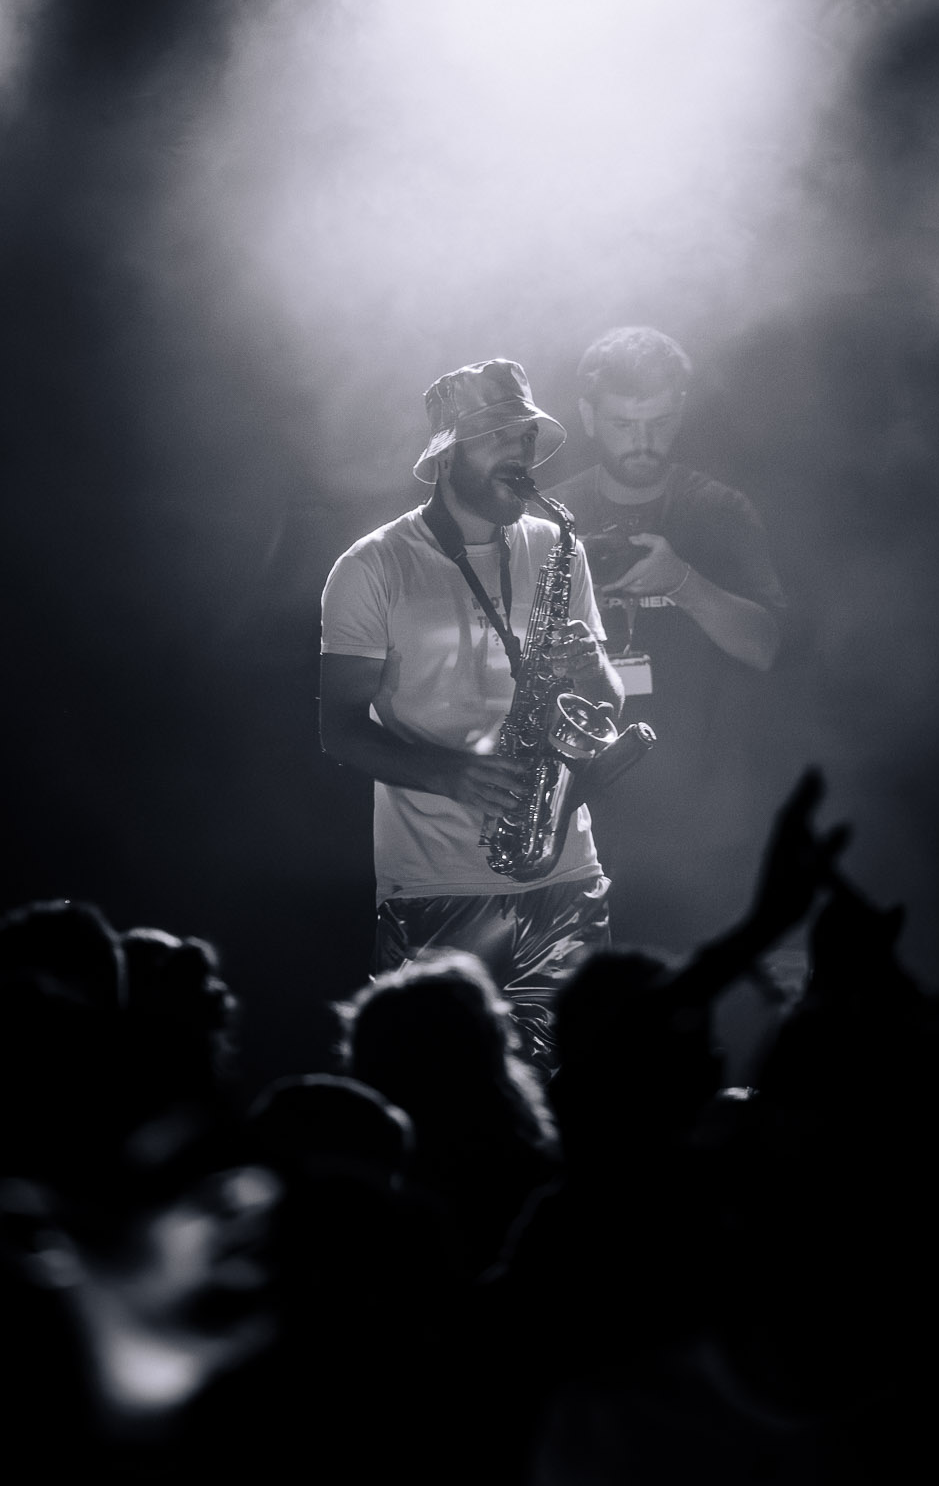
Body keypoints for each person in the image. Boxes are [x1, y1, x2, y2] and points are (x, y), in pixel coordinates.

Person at [318, 358, 624, 1073]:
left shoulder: (560, 546)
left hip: (565, 873)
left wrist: (592, 672)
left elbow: (605, 704)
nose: (520, 455)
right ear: (447, 453)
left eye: (526, 437)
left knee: (584, 1092)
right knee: (434, 1092)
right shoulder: (372, 566)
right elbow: (339, 731)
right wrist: (449, 774)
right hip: (434, 885)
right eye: (497, 437)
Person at [550, 327, 787, 947]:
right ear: (588, 416)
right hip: (582, 808)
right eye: (623, 424)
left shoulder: (720, 511)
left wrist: (681, 580)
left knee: (702, 979)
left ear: (680, 411)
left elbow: (764, 647)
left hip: (704, 808)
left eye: (657, 423)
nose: (642, 441)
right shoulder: (549, 520)